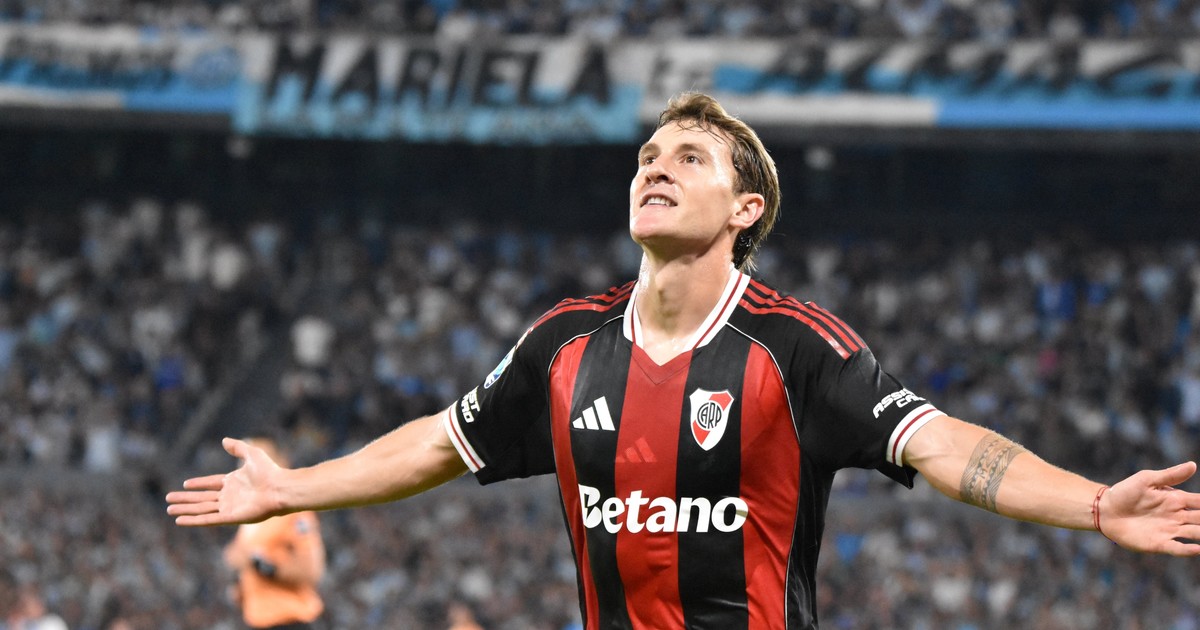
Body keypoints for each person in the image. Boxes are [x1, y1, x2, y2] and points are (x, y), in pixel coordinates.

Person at [168, 92, 1200, 629]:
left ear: (745, 209)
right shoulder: (565, 341)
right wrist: (288, 487)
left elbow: (944, 447)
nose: (655, 168)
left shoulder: (795, 347)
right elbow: (441, 444)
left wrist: (1092, 505)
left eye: (688, 159)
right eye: (647, 158)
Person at [220, 438, 327, 630]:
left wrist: (260, 565)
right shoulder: (250, 516)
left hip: (290, 621)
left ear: (281, 461)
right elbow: (241, 558)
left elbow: (311, 571)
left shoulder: (294, 512)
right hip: (259, 622)